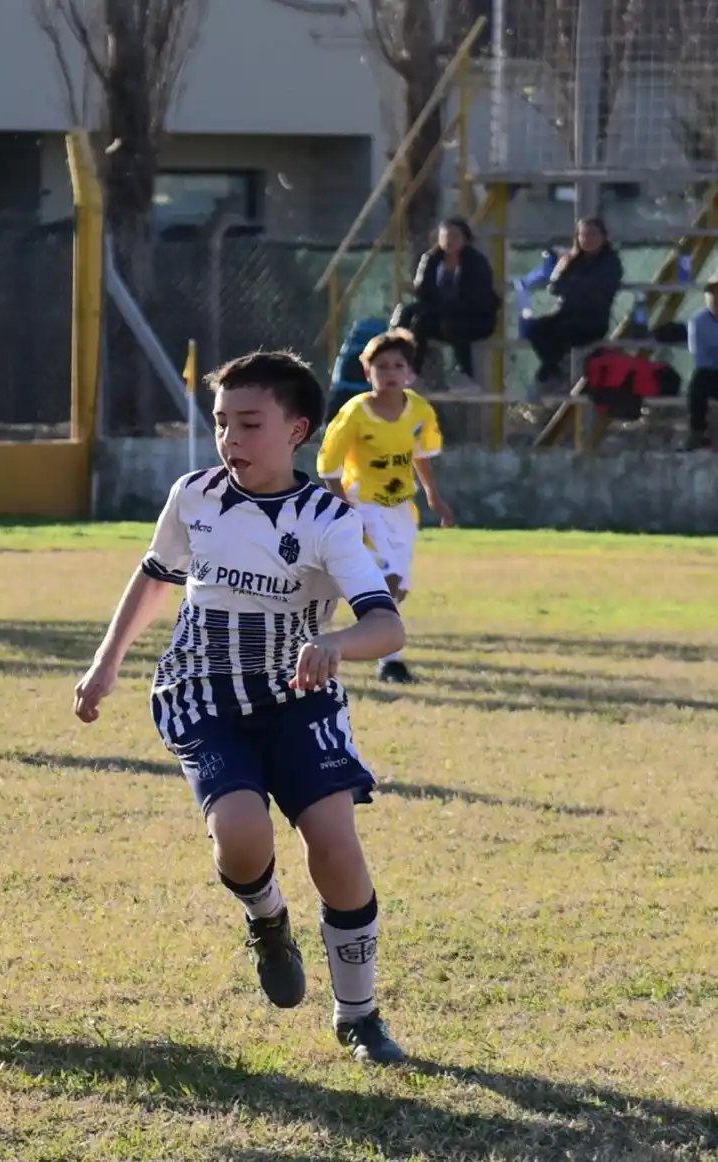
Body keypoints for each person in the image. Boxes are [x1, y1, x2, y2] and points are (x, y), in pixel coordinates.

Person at [72, 350, 409, 1065]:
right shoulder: (194, 496)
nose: (231, 441)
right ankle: (267, 920)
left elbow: (388, 626)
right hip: (204, 693)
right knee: (241, 835)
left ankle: (359, 1016)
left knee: (336, 846)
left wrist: (335, 644)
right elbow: (155, 579)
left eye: (249, 424)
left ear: (297, 430)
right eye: (222, 423)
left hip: (296, 699)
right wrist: (106, 665)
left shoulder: (326, 518)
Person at [317, 329, 455, 685]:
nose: (390, 372)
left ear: (409, 372)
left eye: (398, 365)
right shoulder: (354, 415)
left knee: (399, 589)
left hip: (400, 508)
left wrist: (433, 495)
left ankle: (353, 640)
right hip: (363, 507)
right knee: (387, 579)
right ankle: (387, 659)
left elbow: (422, 455)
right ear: (367, 373)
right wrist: (343, 505)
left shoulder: (420, 411)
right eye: (381, 366)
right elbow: (329, 465)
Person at [391, 217, 500, 383]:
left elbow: (477, 299)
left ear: (465, 239)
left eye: (455, 236)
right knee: (414, 319)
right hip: (440, 315)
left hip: (475, 319)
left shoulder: (476, 262)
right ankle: (410, 372)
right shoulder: (431, 260)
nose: (449, 241)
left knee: (455, 323)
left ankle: (465, 375)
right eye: (444, 237)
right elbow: (424, 293)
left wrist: (445, 308)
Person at [524, 216, 623, 386]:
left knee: (561, 332)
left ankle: (553, 370)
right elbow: (555, 286)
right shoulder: (572, 259)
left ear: (603, 236)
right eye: (583, 235)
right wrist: (576, 285)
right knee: (533, 327)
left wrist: (573, 286)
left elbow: (597, 292)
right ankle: (554, 367)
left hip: (592, 321)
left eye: (593, 234)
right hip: (566, 314)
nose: (588, 239)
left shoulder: (610, 262)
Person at [685, 280, 718, 452]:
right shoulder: (699, 321)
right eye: (712, 294)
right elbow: (701, 360)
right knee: (698, 382)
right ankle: (697, 433)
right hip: (712, 373)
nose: (715, 298)